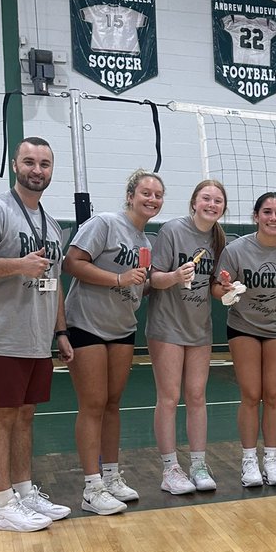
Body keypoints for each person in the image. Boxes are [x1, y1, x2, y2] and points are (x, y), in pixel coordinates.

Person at [0, 136, 73, 532]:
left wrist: (60, 332)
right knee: (1, 417)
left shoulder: (51, 225)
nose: (37, 170)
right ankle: (1, 504)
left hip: (36, 340)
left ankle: (23, 491)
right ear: (15, 165)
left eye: (44, 164)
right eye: (29, 162)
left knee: (24, 417)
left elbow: (53, 281)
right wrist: (16, 265)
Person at [63, 169, 165, 515]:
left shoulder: (146, 243)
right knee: (92, 404)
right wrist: (118, 277)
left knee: (112, 404)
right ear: (130, 195)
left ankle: (111, 476)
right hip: (87, 325)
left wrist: (172, 281)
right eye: (146, 193)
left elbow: (140, 285)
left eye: (158, 195)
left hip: (122, 327)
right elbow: (72, 263)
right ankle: (92, 488)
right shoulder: (104, 223)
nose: (152, 199)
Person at [214, 191, 276, 487]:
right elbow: (217, 290)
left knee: (274, 395)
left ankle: (272, 459)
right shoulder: (237, 249)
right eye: (267, 212)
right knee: (251, 395)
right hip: (244, 327)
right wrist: (226, 288)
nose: (273, 218)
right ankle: (249, 459)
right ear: (256, 216)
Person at [147, 178, 228, 495]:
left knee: (197, 397)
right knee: (169, 398)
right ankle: (170, 469)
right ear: (194, 202)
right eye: (206, 198)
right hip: (167, 326)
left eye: (217, 201)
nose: (211, 204)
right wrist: (174, 276)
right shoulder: (172, 230)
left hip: (199, 329)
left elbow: (214, 289)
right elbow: (153, 279)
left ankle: (197, 464)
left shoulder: (218, 239)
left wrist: (227, 289)